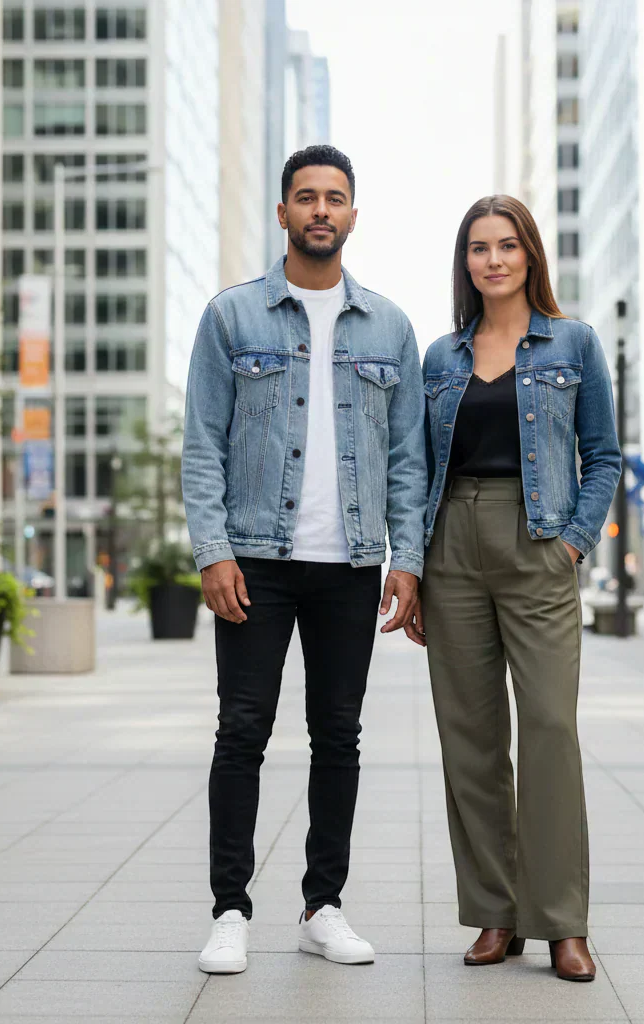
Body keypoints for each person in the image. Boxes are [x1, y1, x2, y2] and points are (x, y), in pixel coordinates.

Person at [182, 145, 428, 975]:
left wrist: (408, 558)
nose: (321, 210)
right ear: (283, 213)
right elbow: (202, 446)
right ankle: (228, 909)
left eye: (335, 198)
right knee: (241, 731)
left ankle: (323, 905)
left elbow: (406, 459)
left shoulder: (390, 326)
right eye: (306, 198)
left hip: (351, 564)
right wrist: (213, 550)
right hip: (255, 558)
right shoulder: (232, 316)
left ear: (354, 214)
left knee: (339, 734)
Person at [419, 196, 621, 981]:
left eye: (507, 246)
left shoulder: (573, 342)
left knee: (548, 731)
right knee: (470, 740)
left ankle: (563, 921)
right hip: (454, 548)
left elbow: (603, 455)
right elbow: (417, 465)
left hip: (540, 542)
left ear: (531, 255)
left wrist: (574, 542)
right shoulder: (441, 356)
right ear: (466, 261)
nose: (493, 259)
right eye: (479, 247)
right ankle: (495, 917)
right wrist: (412, 564)